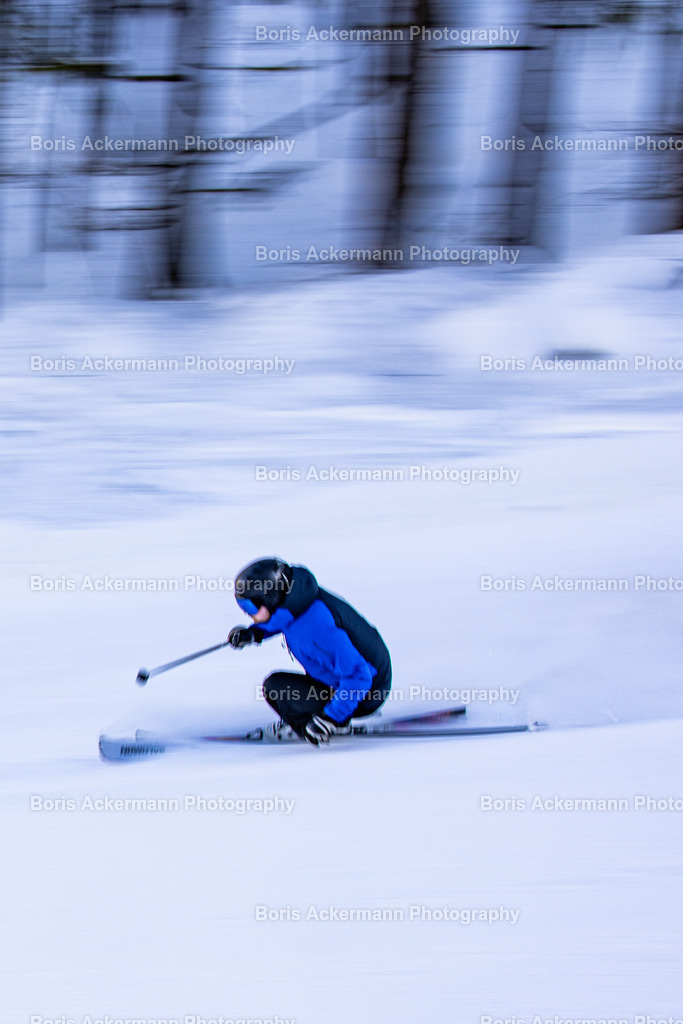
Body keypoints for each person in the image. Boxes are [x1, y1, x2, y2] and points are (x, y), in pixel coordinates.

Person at [227, 557, 392, 745]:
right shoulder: (295, 601)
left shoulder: (318, 628)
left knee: (277, 688)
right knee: (280, 689)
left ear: (270, 598)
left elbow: (359, 676)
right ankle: (319, 715)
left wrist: (330, 718)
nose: (248, 613)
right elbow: (283, 619)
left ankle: (319, 726)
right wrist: (254, 633)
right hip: (342, 680)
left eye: (250, 607)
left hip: (366, 693)